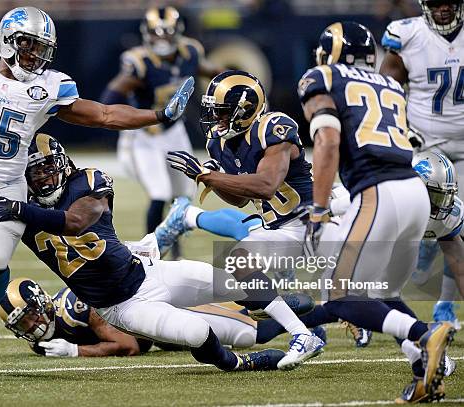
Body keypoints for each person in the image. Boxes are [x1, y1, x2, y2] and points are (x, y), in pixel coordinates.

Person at [0, 6, 195, 376]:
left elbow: (104, 115)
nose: (34, 55)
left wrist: (157, 116)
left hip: (6, 184)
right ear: (6, 42)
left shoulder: (48, 86)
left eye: (40, 47)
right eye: (26, 45)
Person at [0, 133, 322, 372]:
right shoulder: (21, 210)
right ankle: (236, 363)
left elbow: (76, 221)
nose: (44, 180)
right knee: (206, 334)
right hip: (121, 307)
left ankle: (300, 330)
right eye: (35, 174)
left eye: (49, 168)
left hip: (148, 272)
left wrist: (17, 210)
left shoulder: (88, 181)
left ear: (63, 163)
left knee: (241, 282)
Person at [298, 21, 456, 403]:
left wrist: (318, 209)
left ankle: (423, 333)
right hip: (414, 194)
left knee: (339, 297)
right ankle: (425, 369)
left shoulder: (321, 77)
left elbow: (329, 141)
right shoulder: (388, 84)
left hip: (377, 192)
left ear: (328, 55)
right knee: (382, 292)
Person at [165, 70, 326, 367]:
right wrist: (215, 180)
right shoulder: (220, 141)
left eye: (222, 112)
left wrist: (207, 175)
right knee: (237, 266)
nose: (216, 119)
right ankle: (304, 334)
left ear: (245, 109)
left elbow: (266, 186)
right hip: (283, 228)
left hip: (314, 222)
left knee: (365, 290)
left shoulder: (273, 128)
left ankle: (412, 333)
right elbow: (240, 199)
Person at [100, 6, 222, 258]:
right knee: (159, 194)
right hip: (145, 135)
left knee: (183, 194)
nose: (162, 39)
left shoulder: (190, 52)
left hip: (174, 132)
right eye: (157, 33)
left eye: (167, 33)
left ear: (178, 33)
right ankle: (150, 253)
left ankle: (174, 251)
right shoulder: (139, 62)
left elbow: (214, 72)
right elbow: (110, 96)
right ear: (146, 34)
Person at [380, 0, 464, 323]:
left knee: (455, 231)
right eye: (436, 3)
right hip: (424, 145)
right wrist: (397, 131)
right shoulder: (408, 35)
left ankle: (446, 305)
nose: (443, 10)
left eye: (449, 3)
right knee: (411, 225)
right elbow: (386, 91)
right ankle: (382, 296)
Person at [0, 278, 317, 357]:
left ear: (42, 304)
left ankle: (319, 313)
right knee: (238, 327)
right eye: (21, 325)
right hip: (158, 332)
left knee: (250, 335)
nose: (31, 326)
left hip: (161, 310)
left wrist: (75, 351)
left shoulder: (76, 307)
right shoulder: (42, 341)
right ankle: (266, 307)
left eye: (29, 317)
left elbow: (129, 345)